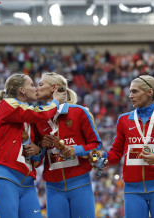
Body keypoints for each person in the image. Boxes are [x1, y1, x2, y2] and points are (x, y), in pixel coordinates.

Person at [92, 75, 154, 218]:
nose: (130, 95)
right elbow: (115, 154)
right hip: (132, 191)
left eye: (135, 91)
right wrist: (102, 157)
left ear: (149, 92)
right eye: (130, 92)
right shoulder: (124, 120)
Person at [0, 73, 66, 218]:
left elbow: (36, 161)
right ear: (22, 90)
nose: (35, 88)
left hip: (27, 182)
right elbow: (41, 114)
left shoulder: (27, 117)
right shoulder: (7, 104)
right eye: (32, 85)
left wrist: (38, 148)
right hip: (7, 178)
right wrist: (55, 102)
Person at [35, 72, 102, 218]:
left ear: (55, 88)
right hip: (53, 188)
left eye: (41, 84)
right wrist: (40, 146)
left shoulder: (79, 112)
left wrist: (75, 150)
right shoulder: (38, 117)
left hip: (80, 184)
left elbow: (96, 146)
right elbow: (36, 161)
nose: (36, 88)